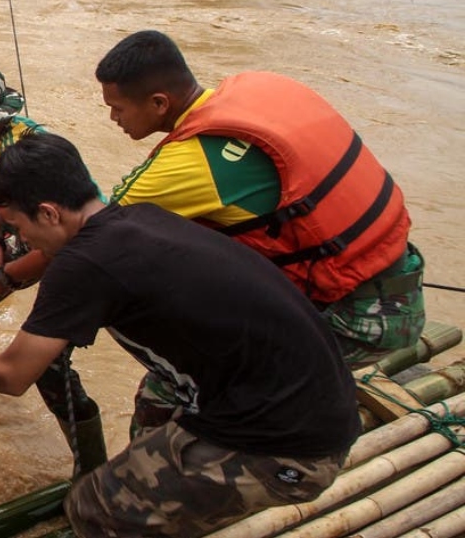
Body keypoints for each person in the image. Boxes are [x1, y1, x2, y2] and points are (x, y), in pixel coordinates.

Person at [0, 132, 359, 536]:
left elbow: (11, 375)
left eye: (17, 227)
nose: (21, 242)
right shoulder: (143, 217)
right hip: (320, 404)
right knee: (150, 416)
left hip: (290, 447)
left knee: (92, 506)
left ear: (49, 213)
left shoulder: (82, 263)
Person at [95, 29, 425, 434]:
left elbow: (96, 239)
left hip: (357, 320)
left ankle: (149, 486)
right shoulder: (260, 89)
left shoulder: (185, 165)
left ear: (159, 103)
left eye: (118, 108)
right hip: (396, 275)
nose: (114, 119)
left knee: (166, 389)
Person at [0, 66, 107, 478]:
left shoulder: (35, 157)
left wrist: (8, 276)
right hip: (24, 233)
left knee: (50, 368)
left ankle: (92, 471)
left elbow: (65, 237)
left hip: (78, 250)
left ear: (1, 117)